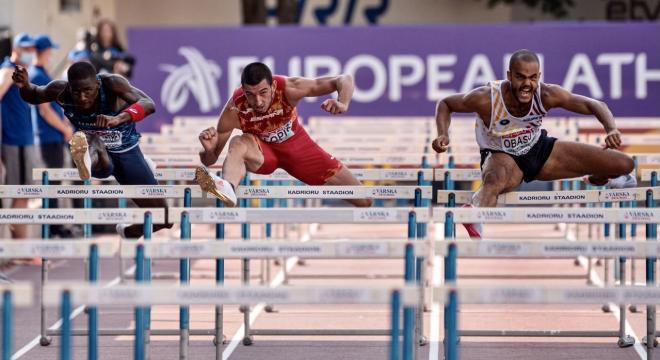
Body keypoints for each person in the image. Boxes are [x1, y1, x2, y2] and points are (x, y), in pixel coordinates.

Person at [432, 49, 635, 239]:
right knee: (496, 179)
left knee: (625, 165)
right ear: (509, 75)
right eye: (520, 77)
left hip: (539, 149)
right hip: (501, 155)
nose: (527, 84)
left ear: (539, 76)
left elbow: (595, 104)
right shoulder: (487, 98)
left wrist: (611, 129)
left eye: (532, 77)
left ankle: (598, 177)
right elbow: (446, 103)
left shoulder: (546, 94)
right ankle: (475, 213)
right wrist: (443, 134)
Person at [12, 61, 171, 238]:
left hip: (127, 152)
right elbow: (34, 94)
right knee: (92, 139)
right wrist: (24, 85)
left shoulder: (112, 83)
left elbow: (148, 103)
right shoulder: (61, 91)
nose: (82, 97)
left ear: (97, 84)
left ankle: (128, 231)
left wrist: (119, 118)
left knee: (165, 218)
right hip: (100, 159)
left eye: (88, 91)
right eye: (76, 91)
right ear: (69, 87)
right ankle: (86, 162)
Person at [195, 62, 372, 207]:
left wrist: (343, 102)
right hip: (264, 155)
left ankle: (228, 187)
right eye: (250, 95)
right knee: (238, 142)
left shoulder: (289, 88)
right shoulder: (234, 109)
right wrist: (209, 150)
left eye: (263, 93)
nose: (258, 101)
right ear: (243, 90)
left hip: (300, 151)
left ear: (272, 86)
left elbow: (343, 79)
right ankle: (229, 189)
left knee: (364, 199)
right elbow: (209, 161)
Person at [30, 34, 76, 238]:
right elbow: (45, 110)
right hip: (48, 136)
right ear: (45, 51)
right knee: (52, 183)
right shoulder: (38, 75)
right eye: (50, 50)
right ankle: (52, 228)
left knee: (55, 183)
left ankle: (55, 226)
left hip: (52, 135)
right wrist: (64, 128)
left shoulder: (42, 73)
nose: (52, 54)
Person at [0, 33, 40, 244]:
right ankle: (20, 250)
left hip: (22, 138)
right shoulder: (8, 70)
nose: (29, 52)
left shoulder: (18, 71)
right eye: (25, 48)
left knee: (23, 193)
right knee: (21, 192)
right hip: (15, 140)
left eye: (32, 48)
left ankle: (20, 249)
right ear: (15, 48)